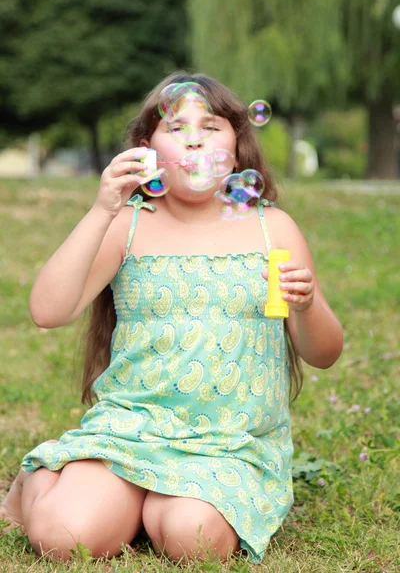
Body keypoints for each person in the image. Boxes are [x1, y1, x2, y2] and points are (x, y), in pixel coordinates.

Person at [0, 72, 343, 563]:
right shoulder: (130, 224)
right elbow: (47, 311)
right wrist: (102, 210)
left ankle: (146, 504)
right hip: (132, 429)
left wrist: (308, 307)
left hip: (230, 442)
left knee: (193, 542)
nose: (195, 137)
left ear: (238, 146)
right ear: (146, 150)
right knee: (65, 537)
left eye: (211, 126)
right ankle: (43, 481)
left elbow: (324, 353)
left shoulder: (272, 229)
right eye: (176, 127)